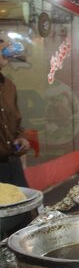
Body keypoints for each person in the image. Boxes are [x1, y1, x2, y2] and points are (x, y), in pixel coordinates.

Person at [0, 40, 30, 187]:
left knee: (25, 207)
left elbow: (16, 122)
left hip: (12, 166)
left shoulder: (9, 86)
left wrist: (20, 137)